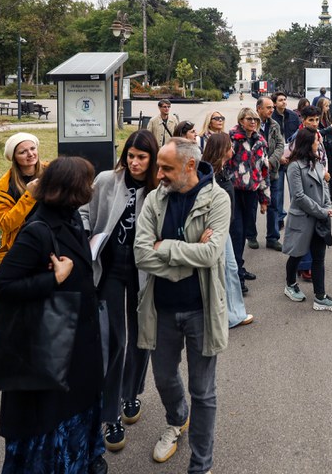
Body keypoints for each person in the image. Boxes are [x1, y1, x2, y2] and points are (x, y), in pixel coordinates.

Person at [0, 156, 107, 474]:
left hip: (77, 346)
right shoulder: (37, 230)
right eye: (88, 181)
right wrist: (52, 279)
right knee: (51, 432)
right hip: (52, 352)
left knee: (78, 415)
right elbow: (2, 287)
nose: (92, 187)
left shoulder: (69, 217)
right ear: (72, 188)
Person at [134, 138, 230, 473]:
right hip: (160, 309)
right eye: (158, 166)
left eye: (166, 168)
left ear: (189, 166)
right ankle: (177, 419)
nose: (157, 173)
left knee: (203, 392)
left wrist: (167, 246)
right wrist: (189, 254)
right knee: (162, 377)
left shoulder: (217, 198)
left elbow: (212, 253)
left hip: (201, 309)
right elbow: (141, 254)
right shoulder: (153, 199)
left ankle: (200, 464)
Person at [79, 129, 158, 453]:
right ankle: (110, 413)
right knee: (114, 340)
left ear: (151, 159)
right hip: (110, 269)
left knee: (142, 337)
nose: (135, 163)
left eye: (142, 157)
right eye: (131, 156)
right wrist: (86, 235)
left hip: (143, 272)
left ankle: (131, 394)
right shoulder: (107, 180)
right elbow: (84, 210)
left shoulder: (157, 188)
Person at [281, 127, 332, 311]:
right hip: (303, 218)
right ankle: (290, 284)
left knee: (319, 258)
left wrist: (327, 207)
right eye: (317, 140)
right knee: (297, 255)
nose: (320, 143)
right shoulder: (294, 166)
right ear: (308, 143)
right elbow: (298, 196)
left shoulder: (318, 162)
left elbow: (324, 186)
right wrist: (321, 211)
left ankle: (320, 297)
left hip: (319, 218)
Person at [202, 132, 254, 326]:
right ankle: (230, 316)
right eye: (230, 146)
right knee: (225, 271)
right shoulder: (210, 175)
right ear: (222, 150)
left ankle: (232, 314)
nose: (233, 149)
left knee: (229, 270)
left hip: (223, 229)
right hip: (216, 231)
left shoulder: (220, 171)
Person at [227, 107, 270, 289]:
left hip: (251, 193)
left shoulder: (260, 140)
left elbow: (264, 170)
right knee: (236, 233)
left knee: (244, 232)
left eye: (256, 119)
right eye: (249, 119)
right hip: (234, 192)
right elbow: (224, 166)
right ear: (241, 120)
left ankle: (239, 266)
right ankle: (237, 277)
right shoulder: (232, 138)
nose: (253, 122)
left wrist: (264, 199)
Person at [0, 132, 44, 262]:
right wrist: (30, 196)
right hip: (23, 246)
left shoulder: (53, 171)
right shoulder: (4, 187)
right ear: (14, 157)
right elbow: (6, 224)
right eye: (23, 152)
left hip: (54, 241)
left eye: (32, 148)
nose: (30, 154)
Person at [256, 96, 285, 251]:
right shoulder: (251, 124)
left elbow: (280, 144)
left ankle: (272, 238)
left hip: (272, 171)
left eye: (272, 107)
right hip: (254, 173)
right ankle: (251, 236)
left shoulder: (274, 124)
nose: (271, 110)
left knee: (273, 205)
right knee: (251, 205)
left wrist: (272, 161)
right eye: (268, 108)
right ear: (258, 109)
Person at [272, 91, 301, 229]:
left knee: (295, 189)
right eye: (280, 100)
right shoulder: (271, 117)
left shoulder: (294, 116)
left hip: (292, 158)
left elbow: (299, 136)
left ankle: (295, 216)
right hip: (277, 158)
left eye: (285, 99)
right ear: (274, 103)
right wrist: (279, 157)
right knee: (277, 191)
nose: (284, 102)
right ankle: (278, 218)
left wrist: (293, 155)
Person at [317, 97, 332, 204]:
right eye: (326, 106)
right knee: (324, 172)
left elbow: (331, 132)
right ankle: (325, 196)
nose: (328, 108)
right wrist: (331, 128)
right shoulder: (317, 119)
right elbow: (318, 133)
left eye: (328, 106)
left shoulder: (327, 118)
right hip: (322, 148)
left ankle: (331, 195)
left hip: (330, 147)